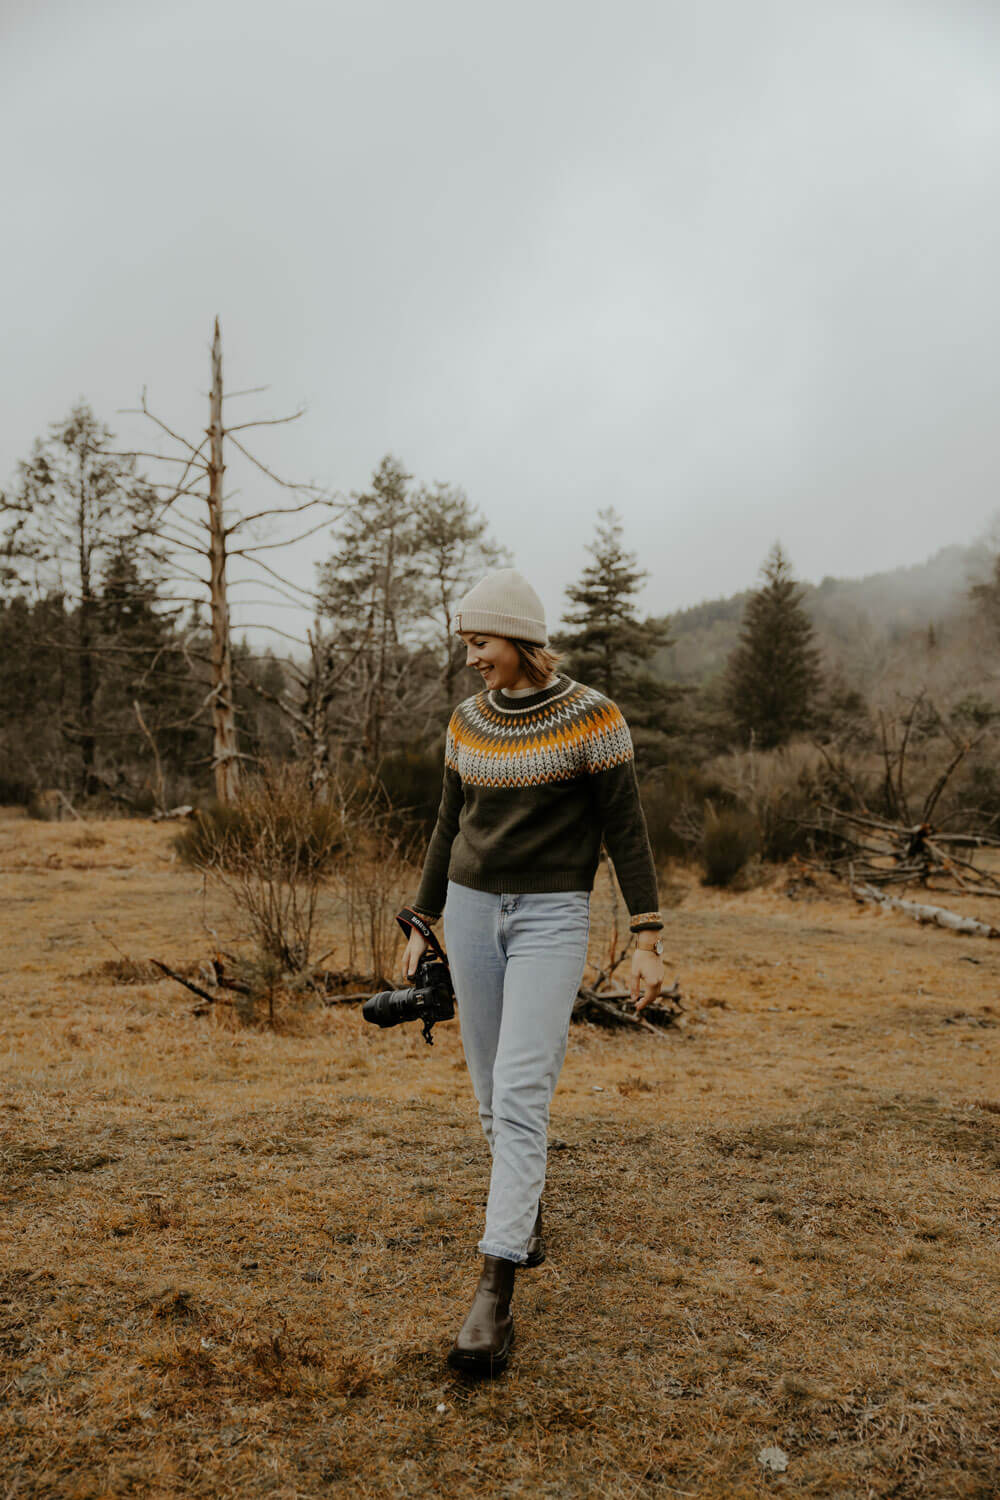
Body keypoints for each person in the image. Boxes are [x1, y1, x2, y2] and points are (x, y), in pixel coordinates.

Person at [399, 568, 664, 1376]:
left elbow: (626, 828)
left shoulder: (593, 718)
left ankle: (494, 1292)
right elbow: (450, 824)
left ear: (519, 639)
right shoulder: (467, 722)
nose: (472, 659)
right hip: (474, 913)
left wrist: (648, 934)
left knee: (519, 1092)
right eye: (468, 646)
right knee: (489, 1094)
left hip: (553, 917)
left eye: (480, 643)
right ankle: (525, 1209)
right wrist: (421, 919)